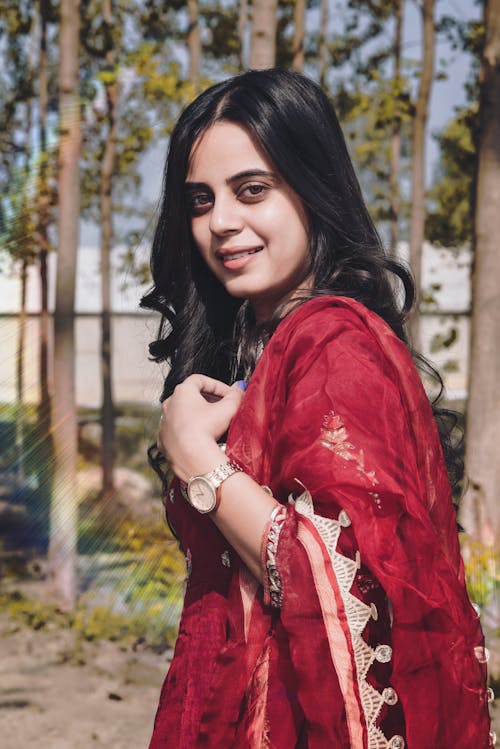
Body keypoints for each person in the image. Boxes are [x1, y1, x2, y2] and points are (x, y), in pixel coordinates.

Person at [141, 69, 493, 748]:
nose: (220, 222)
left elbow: (337, 582)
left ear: (313, 186)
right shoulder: (272, 348)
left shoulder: (332, 341)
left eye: (252, 190)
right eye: (200, 199)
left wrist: (199, 462)